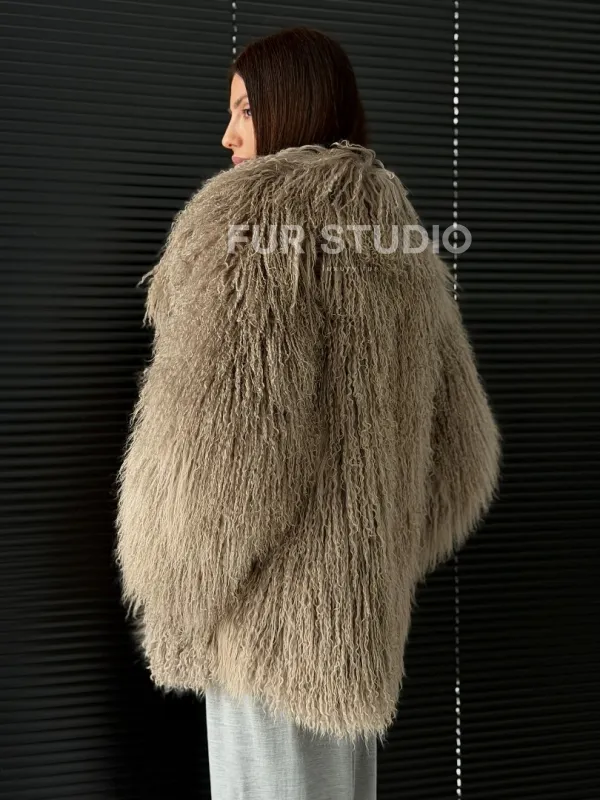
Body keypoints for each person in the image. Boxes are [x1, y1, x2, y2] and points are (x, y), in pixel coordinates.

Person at [114, 26, 502, 800]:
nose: (228, 135)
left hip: (264, 635)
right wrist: (363, 558)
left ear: (294, 107)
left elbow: (221, 457)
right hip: (350, 636)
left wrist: (178, 606)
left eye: (245, 110)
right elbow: (463, 457)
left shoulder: (251, 231)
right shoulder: (394, 236)